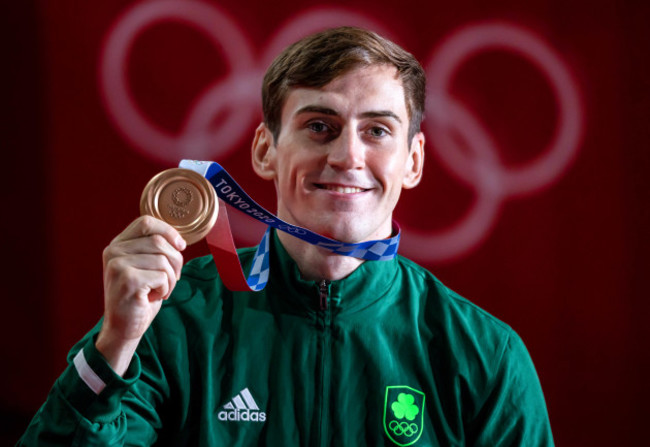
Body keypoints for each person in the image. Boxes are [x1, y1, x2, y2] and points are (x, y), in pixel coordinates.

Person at [18, 26, 554, 446]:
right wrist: (114, 345)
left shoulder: (484, 355)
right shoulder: (172, 320)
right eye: (319, 126)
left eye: (378, 130)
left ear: (412, 161)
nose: (347, 156)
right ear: (264, 151)